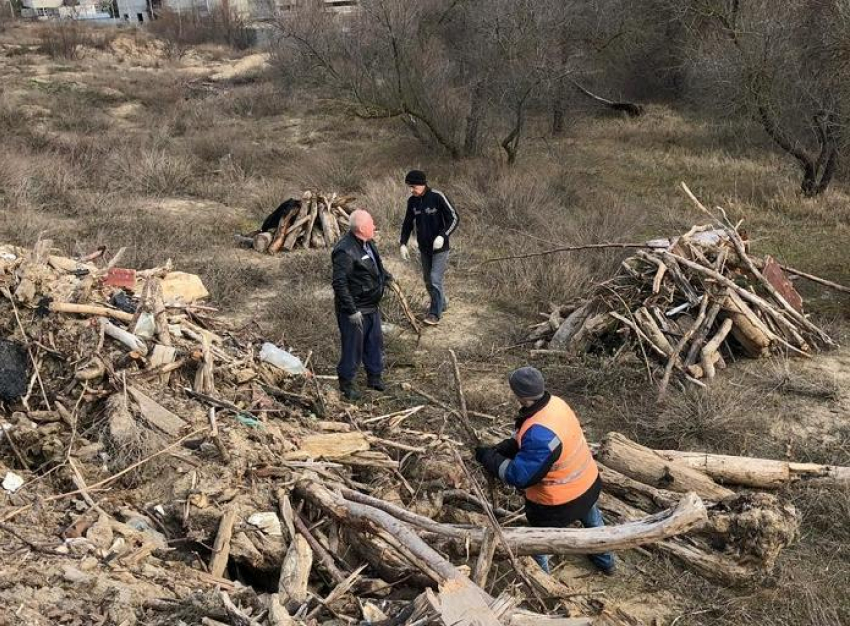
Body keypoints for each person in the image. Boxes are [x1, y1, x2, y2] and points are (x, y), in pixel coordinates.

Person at [475, 366, 616, 575]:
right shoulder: (556, 404)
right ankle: (606, 562)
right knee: (595, 525)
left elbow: (519, 476)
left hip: (556, 505)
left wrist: (489, 458)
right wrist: (509, 446)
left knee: (539, 544)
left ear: (520, 396)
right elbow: (534, 436)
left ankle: (542, 581)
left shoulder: (540, 436)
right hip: (588, 484)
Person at [331, 209, 392, 401]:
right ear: (362, 228)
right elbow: (339, 284)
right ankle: (346, 383)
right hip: (355, 309)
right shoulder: (345, 251)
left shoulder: (368, 243)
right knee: (353, 347)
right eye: (371, 223)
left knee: (374, 343)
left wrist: (387, 278)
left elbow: (376, 266)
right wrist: (351, 310)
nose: (374, 226)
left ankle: (374, 377)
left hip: (371, 306)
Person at [399, 170, 459, 326]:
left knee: (435, 279)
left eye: (412, 186)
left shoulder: (437, 196)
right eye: (409, 187)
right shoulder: (412, 201)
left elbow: (454, 218)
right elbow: (407, 223)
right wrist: (403, 243)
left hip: (440, 248)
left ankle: (434, 313)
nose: (411, 189)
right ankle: (441, 304)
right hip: (424, 248)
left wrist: (442, 236)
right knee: (427, 280)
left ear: (421, 184)